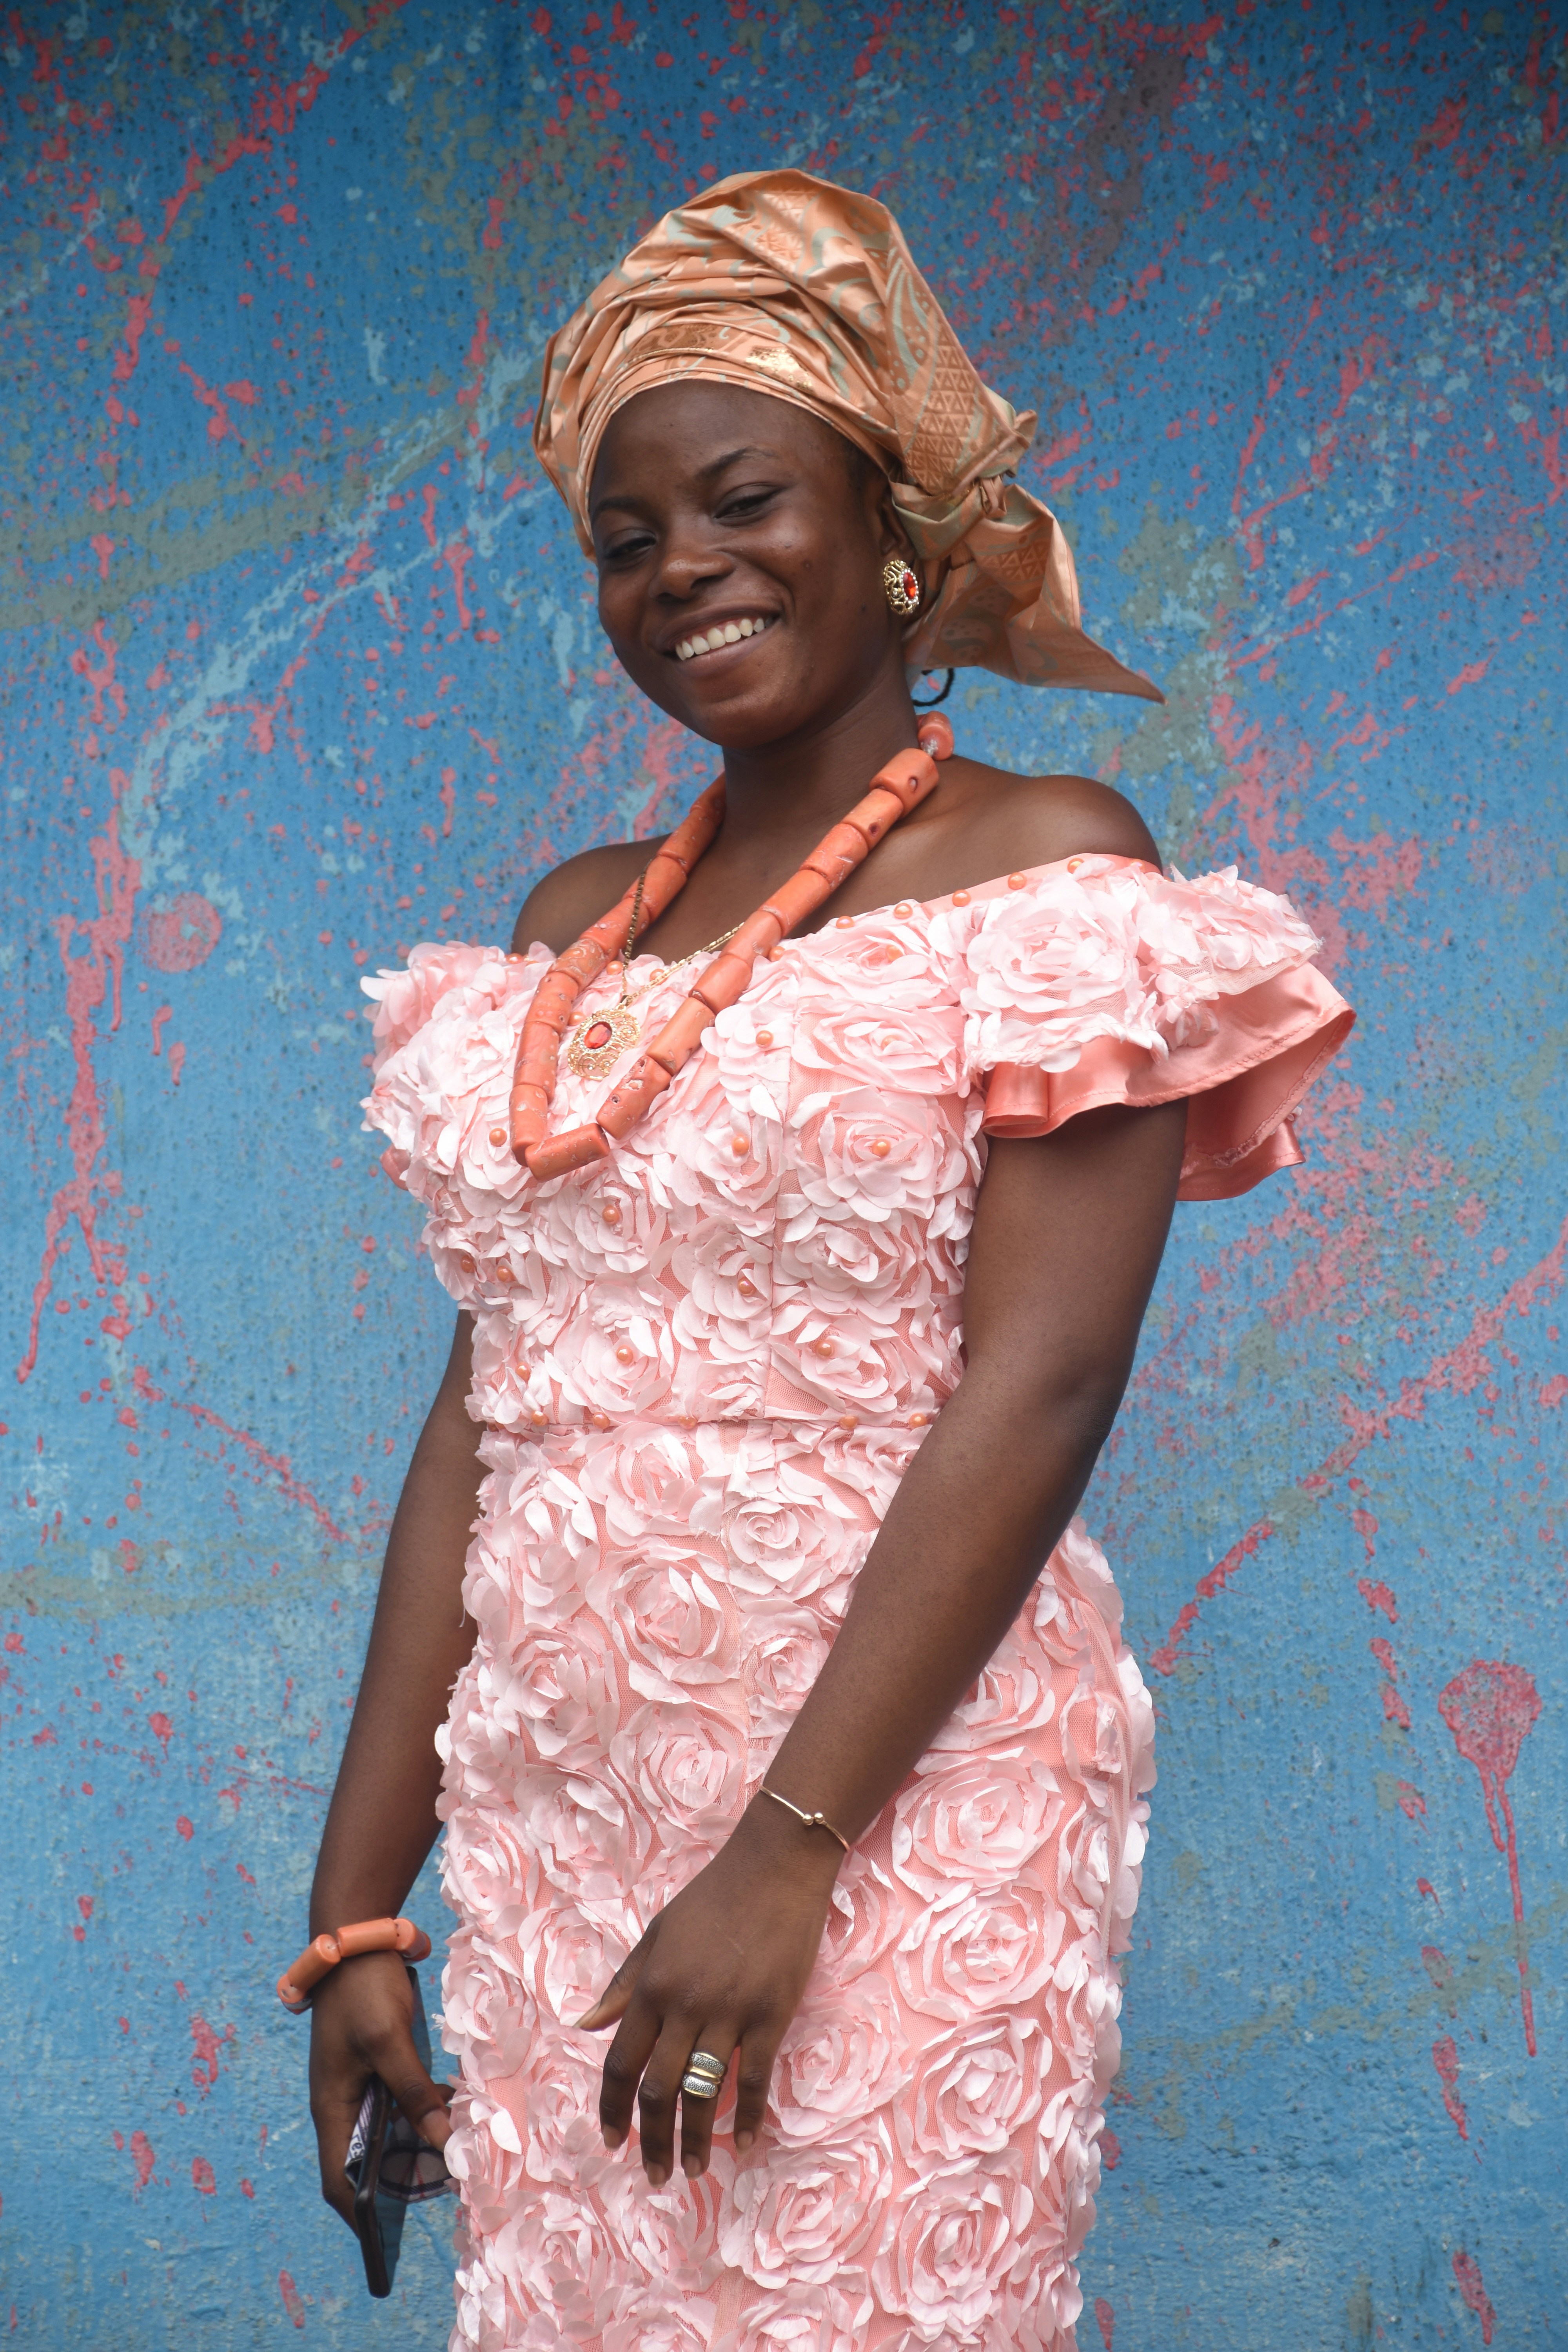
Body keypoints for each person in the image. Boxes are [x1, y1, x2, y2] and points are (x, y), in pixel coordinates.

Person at [303, 170, 1354, 2352]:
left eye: (742, 496)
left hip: (890, 1807)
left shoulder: (1055, 875)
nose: (681, 563)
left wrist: (787, 1854)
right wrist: (356, 1915)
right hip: (568, 1806)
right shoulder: (565, 930)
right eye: (624, 536)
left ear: (890, 519)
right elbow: (484, 1418)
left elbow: (1043, 1384)